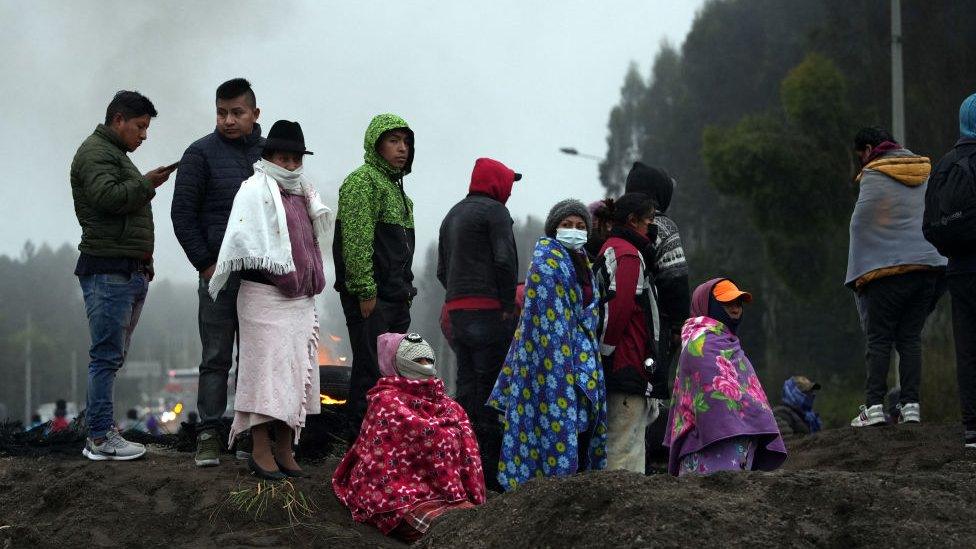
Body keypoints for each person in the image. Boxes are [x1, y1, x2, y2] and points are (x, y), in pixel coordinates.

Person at [210, 120, 330, 480]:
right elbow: (245, 242)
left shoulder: (304, 193)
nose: (291, 165)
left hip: (299, 301)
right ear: (270, 157)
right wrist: (282, 274)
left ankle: (284, 447)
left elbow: (309, 244)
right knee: (265, 375)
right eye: (284, 158)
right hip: (264, 295)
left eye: (296, 159)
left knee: (294, 375)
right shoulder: (254, 190)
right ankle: (259, 448)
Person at [70, 90, 174, 461]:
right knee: (105, 356)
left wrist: (143, 261)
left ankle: (101, 432)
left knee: (110, 357)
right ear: (119, 120)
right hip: (107, 271)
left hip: (125, 269)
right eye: (140, 127)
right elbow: (107, 198)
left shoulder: (114, 155)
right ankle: (100, 437)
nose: (144, 136)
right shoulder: (97, 153)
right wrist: (148, 183)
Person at [171, 78, 265, 467]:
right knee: (215, 356)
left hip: (262, 277)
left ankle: (246, 435)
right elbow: (182, 215)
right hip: (217, 274)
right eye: (221, 112)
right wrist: (206, 264)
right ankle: (208, 433)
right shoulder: (199, 154)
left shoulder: (269, 154)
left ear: (255, 114)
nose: (228, 120)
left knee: (255, 357)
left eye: (237, 113)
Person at [488, 199, 608, 491]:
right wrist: (563, 364)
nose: (574, 231)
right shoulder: (546, 262)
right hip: (552, 363)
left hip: (580, 360)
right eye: (567, 225)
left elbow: (587, 310)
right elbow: (548, 325)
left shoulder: (582, 262)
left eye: (580, 226)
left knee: (578, 427)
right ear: (554, 228)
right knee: (551, 425)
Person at [333, 332, 485, 543]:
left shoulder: (450, 407)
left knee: (478, 526)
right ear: (395, 363)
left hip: (451, 496)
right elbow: (379, 468)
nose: (424, 365)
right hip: (399, 500)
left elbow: (468, 458)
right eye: (417, 360)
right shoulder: (386, 403)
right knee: (451, 534)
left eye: (427, 360)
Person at [846, 126, 946, 427]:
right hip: (927, 268)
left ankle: (874, 407)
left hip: (884, 272)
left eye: (859, 156)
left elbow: (859, 226)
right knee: (910, 339)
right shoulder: (922, 170)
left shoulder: (874, 175)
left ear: (866, 150)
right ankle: (911, 405)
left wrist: (858, 270)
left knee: (879, 340)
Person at [437, 157, 521, 489]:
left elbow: (441, 271)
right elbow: (504, 259)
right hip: (490, 312)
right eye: (508, 185)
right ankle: (488, 474)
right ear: (497, 184)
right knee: (490, 395)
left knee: (466, 390)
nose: (510, 192)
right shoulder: (496, 212)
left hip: (457, 313)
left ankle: (458, 469)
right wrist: (504, 303)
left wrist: (458, 297)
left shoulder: (451, 215)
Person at [334, 114, 416, 435]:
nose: (402, 148)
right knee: (370, 371)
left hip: (397, 297)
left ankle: (385, 439)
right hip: (371, 298)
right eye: (393, 141)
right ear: (376, 143)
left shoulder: (401, 194)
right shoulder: (362, 182)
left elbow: (401, 252)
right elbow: (356, 239)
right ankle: (357, 439)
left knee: (394, 373)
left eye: (406, 141)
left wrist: (407, 292)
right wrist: (365, 290)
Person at [664, 278, 786, 476]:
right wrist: (751, 417)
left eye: (738, 303)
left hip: (738, 445)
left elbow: (748, 392)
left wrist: (754, 421)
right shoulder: (701, 343)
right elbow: (713, 396)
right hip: (709, 449)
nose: (735, 308)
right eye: (727, 302)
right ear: (707, 304)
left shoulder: (728, 342)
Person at [923, 93, 976, 447]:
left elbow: (930, 225)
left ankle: (972, 426)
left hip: (959, 270)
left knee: (968, 346)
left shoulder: (944, 164)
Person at [596, 192, 662, 473]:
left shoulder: (614, 248)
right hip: (626, 363)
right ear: (633, 221)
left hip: (623, 363)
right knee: (624, 448)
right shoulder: (628, 255)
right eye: (648, 220)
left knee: (626, 442)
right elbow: (620, 307)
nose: (652, 227)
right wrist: (607, 352)